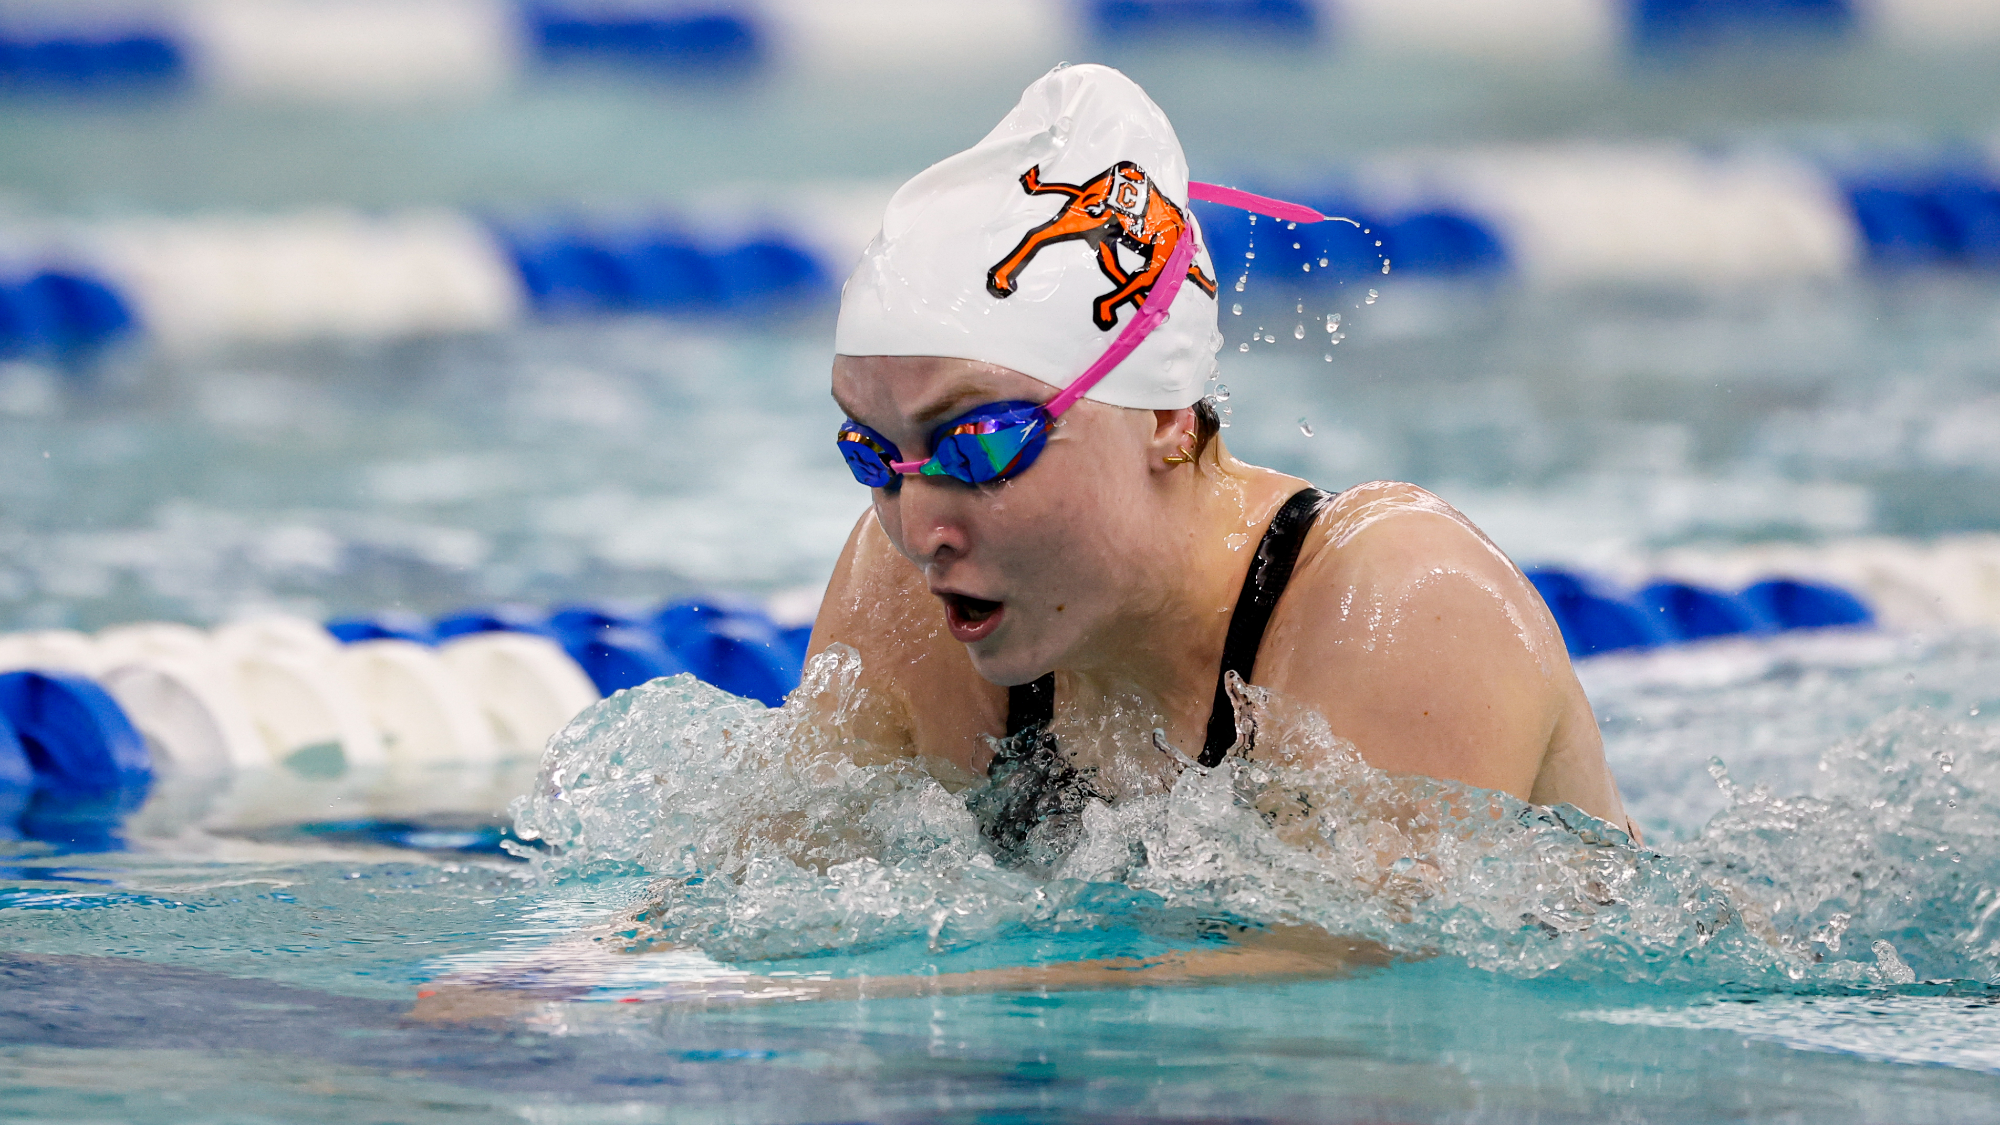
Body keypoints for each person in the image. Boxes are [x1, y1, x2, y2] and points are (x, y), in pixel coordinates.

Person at [808, 63, 1637, 845]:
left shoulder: (1405, 604)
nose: (917, 532)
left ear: (1166, 414)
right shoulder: (907, 603)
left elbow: (1333, 987)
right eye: (874, 454)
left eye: (979, 445)